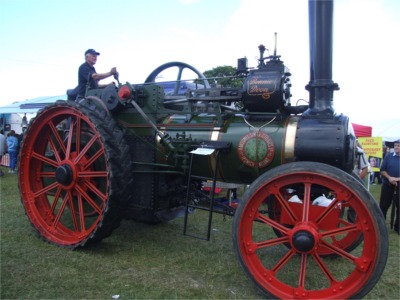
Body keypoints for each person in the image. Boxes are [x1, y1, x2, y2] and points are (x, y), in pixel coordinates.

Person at [379, 139, 400, 235]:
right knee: (383, 206)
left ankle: (398, 227)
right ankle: (380, 226)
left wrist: (397, 179)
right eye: (395, 145)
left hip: (399, 186)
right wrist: (390, 178)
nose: (396, 147)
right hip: (387, 185)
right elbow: (382, 170)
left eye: (398, 146)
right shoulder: (388, 156)